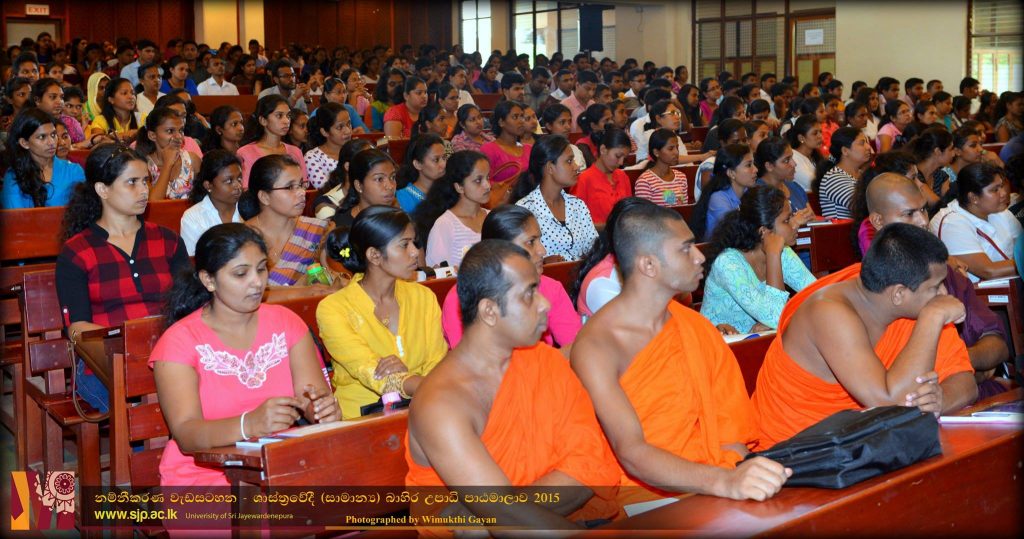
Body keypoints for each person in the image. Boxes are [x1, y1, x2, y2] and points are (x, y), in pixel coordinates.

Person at [571, 203, 791, 505]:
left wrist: (741, 477)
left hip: (717, 476)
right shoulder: (598, 346)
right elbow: (632, 452)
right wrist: (724, 482)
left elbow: (732, 429)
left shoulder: (694, 327)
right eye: (685, 249)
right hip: (642, 496)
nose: (699, 256)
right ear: (649, 265)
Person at [406, 240, 621, 531]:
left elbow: (591, 466)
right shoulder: (440, 403)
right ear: (489, 311)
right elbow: (505, 516)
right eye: (529, 294)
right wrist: (500, 511)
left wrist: (490, 512)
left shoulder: (545, 361)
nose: (545, 304)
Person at [752, 223, 978, 448]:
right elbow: (893, 404)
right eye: (935, 287)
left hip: (868, 444)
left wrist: (940, 400)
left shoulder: (898, 297)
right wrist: (932, 317)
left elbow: (966, 382)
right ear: (898, 294)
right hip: (798, 452)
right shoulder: (829, 313)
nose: (943, 294)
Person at [152, 223, 340, 488]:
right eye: (241, 274)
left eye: (261, 269)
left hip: (281, 464)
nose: (257, 282)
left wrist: (321, 410)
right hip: (206, 474)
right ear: (208, 280)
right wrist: (248, 424)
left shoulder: (286, 322)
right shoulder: (180, 341)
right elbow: (186, 434)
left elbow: (311, 398)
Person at [57, 144, 190, 413]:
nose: (144, 190)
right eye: (132, 182)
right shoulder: (77, 251)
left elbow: (189, 308)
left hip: (170, 355)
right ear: (102, 189)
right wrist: (129, 354)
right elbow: (78, 327)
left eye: (145, 181)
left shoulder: (168, 240)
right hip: (107, 364)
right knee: (150, 404)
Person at [861, 174, 1010, 398]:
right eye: (909, 214)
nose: (923, 221)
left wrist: (959, 363)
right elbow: (896, 386)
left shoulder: (946, 274)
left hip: (967, 394)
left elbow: (997, 345)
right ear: (878, 221)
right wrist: (959, 367)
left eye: (923, 210)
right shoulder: (870, 286)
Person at [318, 206, 447, 418]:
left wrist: (421, 383)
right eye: (404, 245)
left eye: (414, 243)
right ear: (374, 255)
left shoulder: (423, 297)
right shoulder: (334, 308)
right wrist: (429, 385)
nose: (415, 252)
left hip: (424, 410)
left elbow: (437, 363)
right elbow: (369, 371)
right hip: (362, 419)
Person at [441, 204, 582, 350]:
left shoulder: (550, 287)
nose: (542, 251)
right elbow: (470, 358)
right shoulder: (460, 297)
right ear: (501, 249)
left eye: (540, 240)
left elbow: (575, 347)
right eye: (531, 242)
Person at [701, 186, 816, 333]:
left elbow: (817, 294)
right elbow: (776, 317)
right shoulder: (728, 264)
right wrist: (773, 255)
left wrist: (786, 315)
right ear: (764, 232)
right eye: (787, 220)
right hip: (721, 343)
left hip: (758, 340)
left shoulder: (784, 252)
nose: (795, 225)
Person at [240, 154, 330, 288]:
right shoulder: (241, 239)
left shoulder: (317, 231)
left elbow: (334, 281)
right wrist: (298, 289)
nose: (302, 192)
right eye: (290, 187)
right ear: (264, 197)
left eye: (301, 185)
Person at [930, 163, 1021, 282]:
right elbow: (989, 271)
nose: (1003, 193)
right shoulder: (951, 222)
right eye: (995, 190)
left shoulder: (1001, 212)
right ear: (974, 198)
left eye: (1001, 186)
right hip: (978, 291)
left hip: (1010, 285)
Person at [513, 135, 598, 261]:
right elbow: (520, 258)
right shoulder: (525, 209)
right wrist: (543, 262)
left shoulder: (578, 205)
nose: (576, 166)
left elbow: (593, 248)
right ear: (550, 168)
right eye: (569, 161)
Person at [416, 150, 490, 269]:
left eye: (488, 177)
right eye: (478, 180)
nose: (487, 185)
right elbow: (438, 274)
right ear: (459, 187)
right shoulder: (446, 224)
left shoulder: (493, 217)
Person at [2, 108, 85, 208]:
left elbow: (83, 211)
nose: (52, 142)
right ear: (24, 143)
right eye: (42, 137)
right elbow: (16, 215)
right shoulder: (14, 175)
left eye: (53, 135)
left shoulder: (73, 171)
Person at [180, 150, 244, 255]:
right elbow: (193, 259)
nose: (238, 186)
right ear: (208, 185)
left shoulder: (248, 208)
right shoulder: (193, 217)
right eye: (229, 181)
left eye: (239, 178)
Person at [237, 95, 308, 187]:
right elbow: (247, 189)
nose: (286, 121)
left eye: (288, 116)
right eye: (279, 116)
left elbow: (303, 186)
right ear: (263, 120)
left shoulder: (296, 151)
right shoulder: (245, 152)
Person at [691, 143, 758, 241]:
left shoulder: (750, 192)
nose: (755, 169)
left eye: (753, 164)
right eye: (748, 165)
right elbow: (735, 233)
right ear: (731, 173)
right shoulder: (718, 199)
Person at [135, 106, 202, 200]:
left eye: (181, 130)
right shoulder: (144, 165)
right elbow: (153, 203)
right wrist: (167, 164)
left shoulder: (192, 160)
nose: (179, 136)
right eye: (170, 131)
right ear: (152, 135)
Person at [573, 128, 632, 223]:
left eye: (624, 158)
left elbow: (629, 211)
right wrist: (608, 226)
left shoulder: (622, 176)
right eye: (617, 156)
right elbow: (577, 221)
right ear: (603, 150)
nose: (621, 162)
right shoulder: (584, 179)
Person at [814, 127, 873, 219]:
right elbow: (862, 207)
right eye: (862, 143)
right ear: (845, 151)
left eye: (867, 142)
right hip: (844, 228)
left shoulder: (861, 174)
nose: (868, 147)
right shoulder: (833, 179)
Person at [479, 100, 532, 204]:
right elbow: (481, 180)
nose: (521, 121)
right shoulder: (489, 149)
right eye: (515, 117)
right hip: (501, 203)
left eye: (522, 116)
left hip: (529, 201)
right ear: (501, 122)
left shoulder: (529, 149)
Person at [755, 136, 814, 225]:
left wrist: (809, 218)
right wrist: (793, 222)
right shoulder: (757, 194)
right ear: (769, 166)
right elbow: (765, 229)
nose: (794, 164)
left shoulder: (795, 187)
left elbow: (813, 219)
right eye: (786, 160)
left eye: (792, 158)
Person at [331, 148, 397, 228]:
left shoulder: (398, 217)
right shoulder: (344, 228)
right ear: (358, 185)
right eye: (379, 179)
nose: (390, 186)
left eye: (393, 177)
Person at [313, 138, 373, 220]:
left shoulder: (377, 194)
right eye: (367, 162)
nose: (374, 167)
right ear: (348, 166)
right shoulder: (327, 205)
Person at [633, 128, 689, 207]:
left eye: (677, 147)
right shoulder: (645, 181)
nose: (676, 152)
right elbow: (644, 213)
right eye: (671, 149)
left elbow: (684, 208)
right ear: (656, 152)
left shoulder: (681, 177)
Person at [304, 102, 353, 189]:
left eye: (349, 124)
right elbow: (327, 192)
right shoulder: (313, 157)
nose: (348, 131)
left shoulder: (356, 150)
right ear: (324, 132)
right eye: (340, 127)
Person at [396, 134, 447, 215]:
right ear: (418, 164)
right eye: (436, 160)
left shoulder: (449, 191)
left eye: (444, 158)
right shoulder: (403, 198)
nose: (443, 164)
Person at [786, 114, 823, 192]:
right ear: (801, 138)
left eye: (820, 132)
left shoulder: (815, 156)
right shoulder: (793, 157)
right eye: (815, 133)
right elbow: (813, 184)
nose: (820, 136)